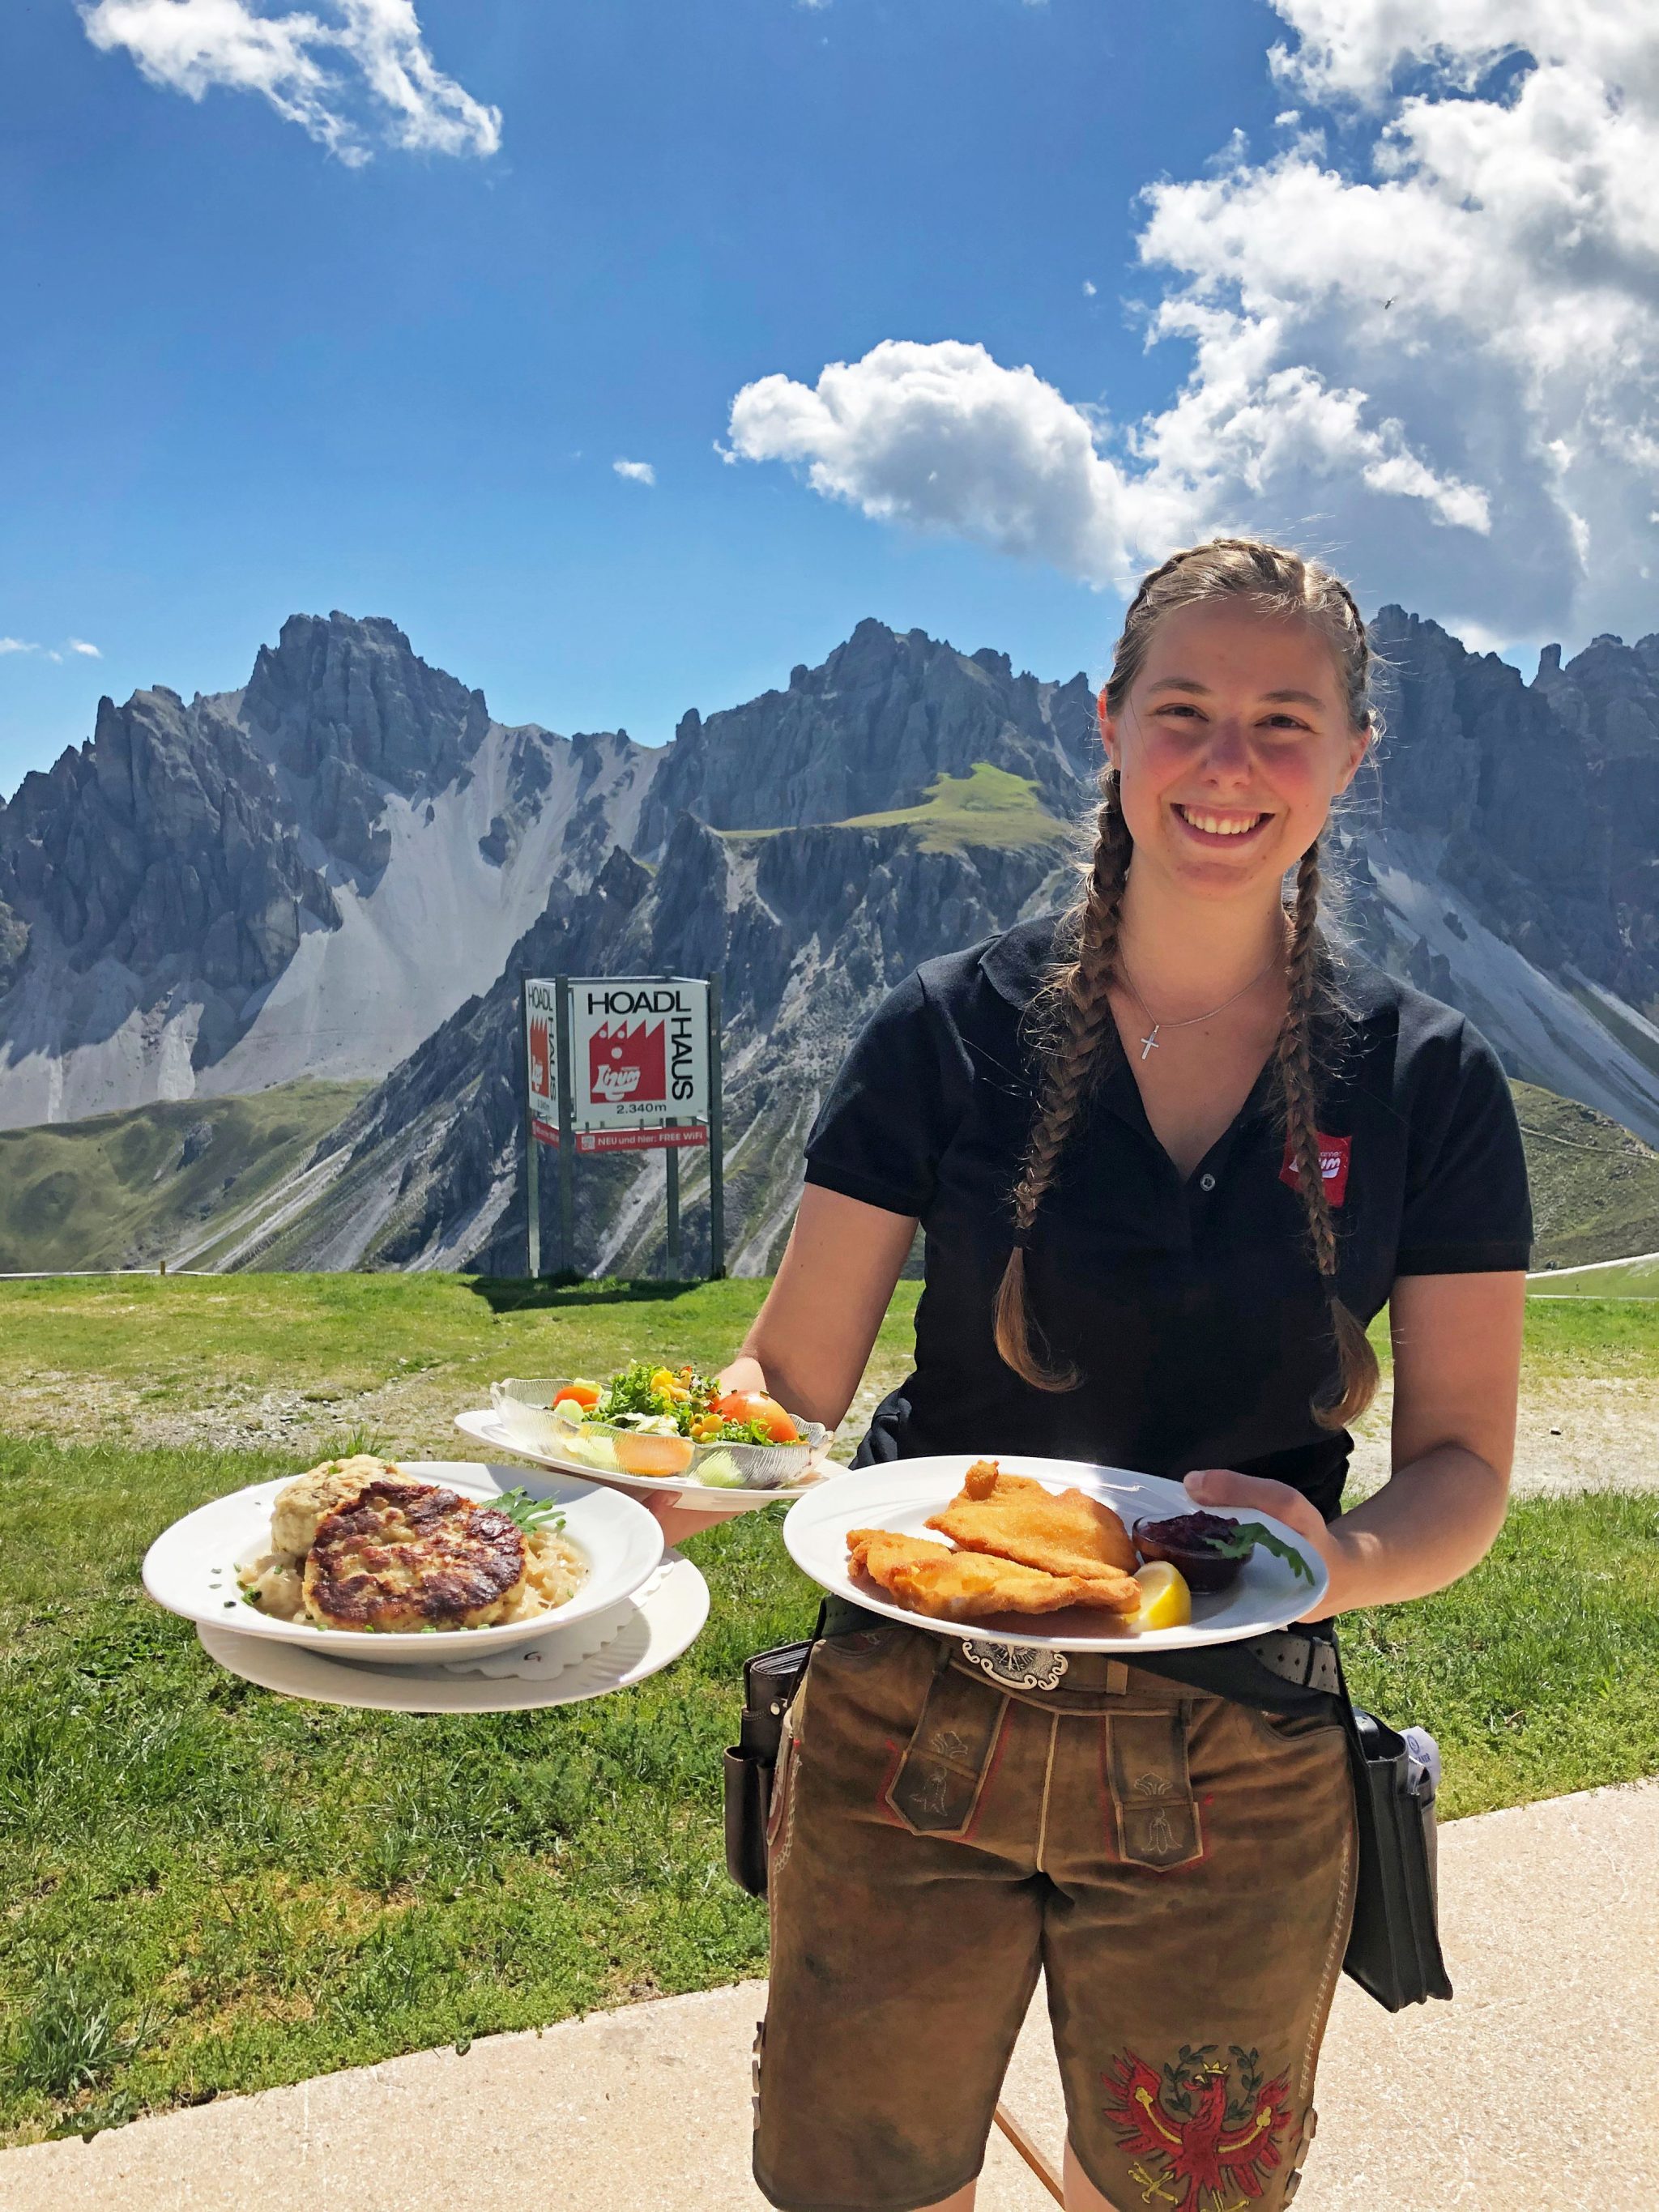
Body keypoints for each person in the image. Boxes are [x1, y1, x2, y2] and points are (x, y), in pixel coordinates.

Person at [706, 539, 1531, 2212]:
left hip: (1238, 1754)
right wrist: (646, 1487)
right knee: (862, 2189)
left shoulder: (1430, 1082)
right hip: (902, 1723)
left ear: (1352, 755)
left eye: (1284, 721)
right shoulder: (937, 1029)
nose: (1229, 766)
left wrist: (1335, 1565)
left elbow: (1459, 1463)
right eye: (1186, 711)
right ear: (1106, 725)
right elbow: (789, 1378)